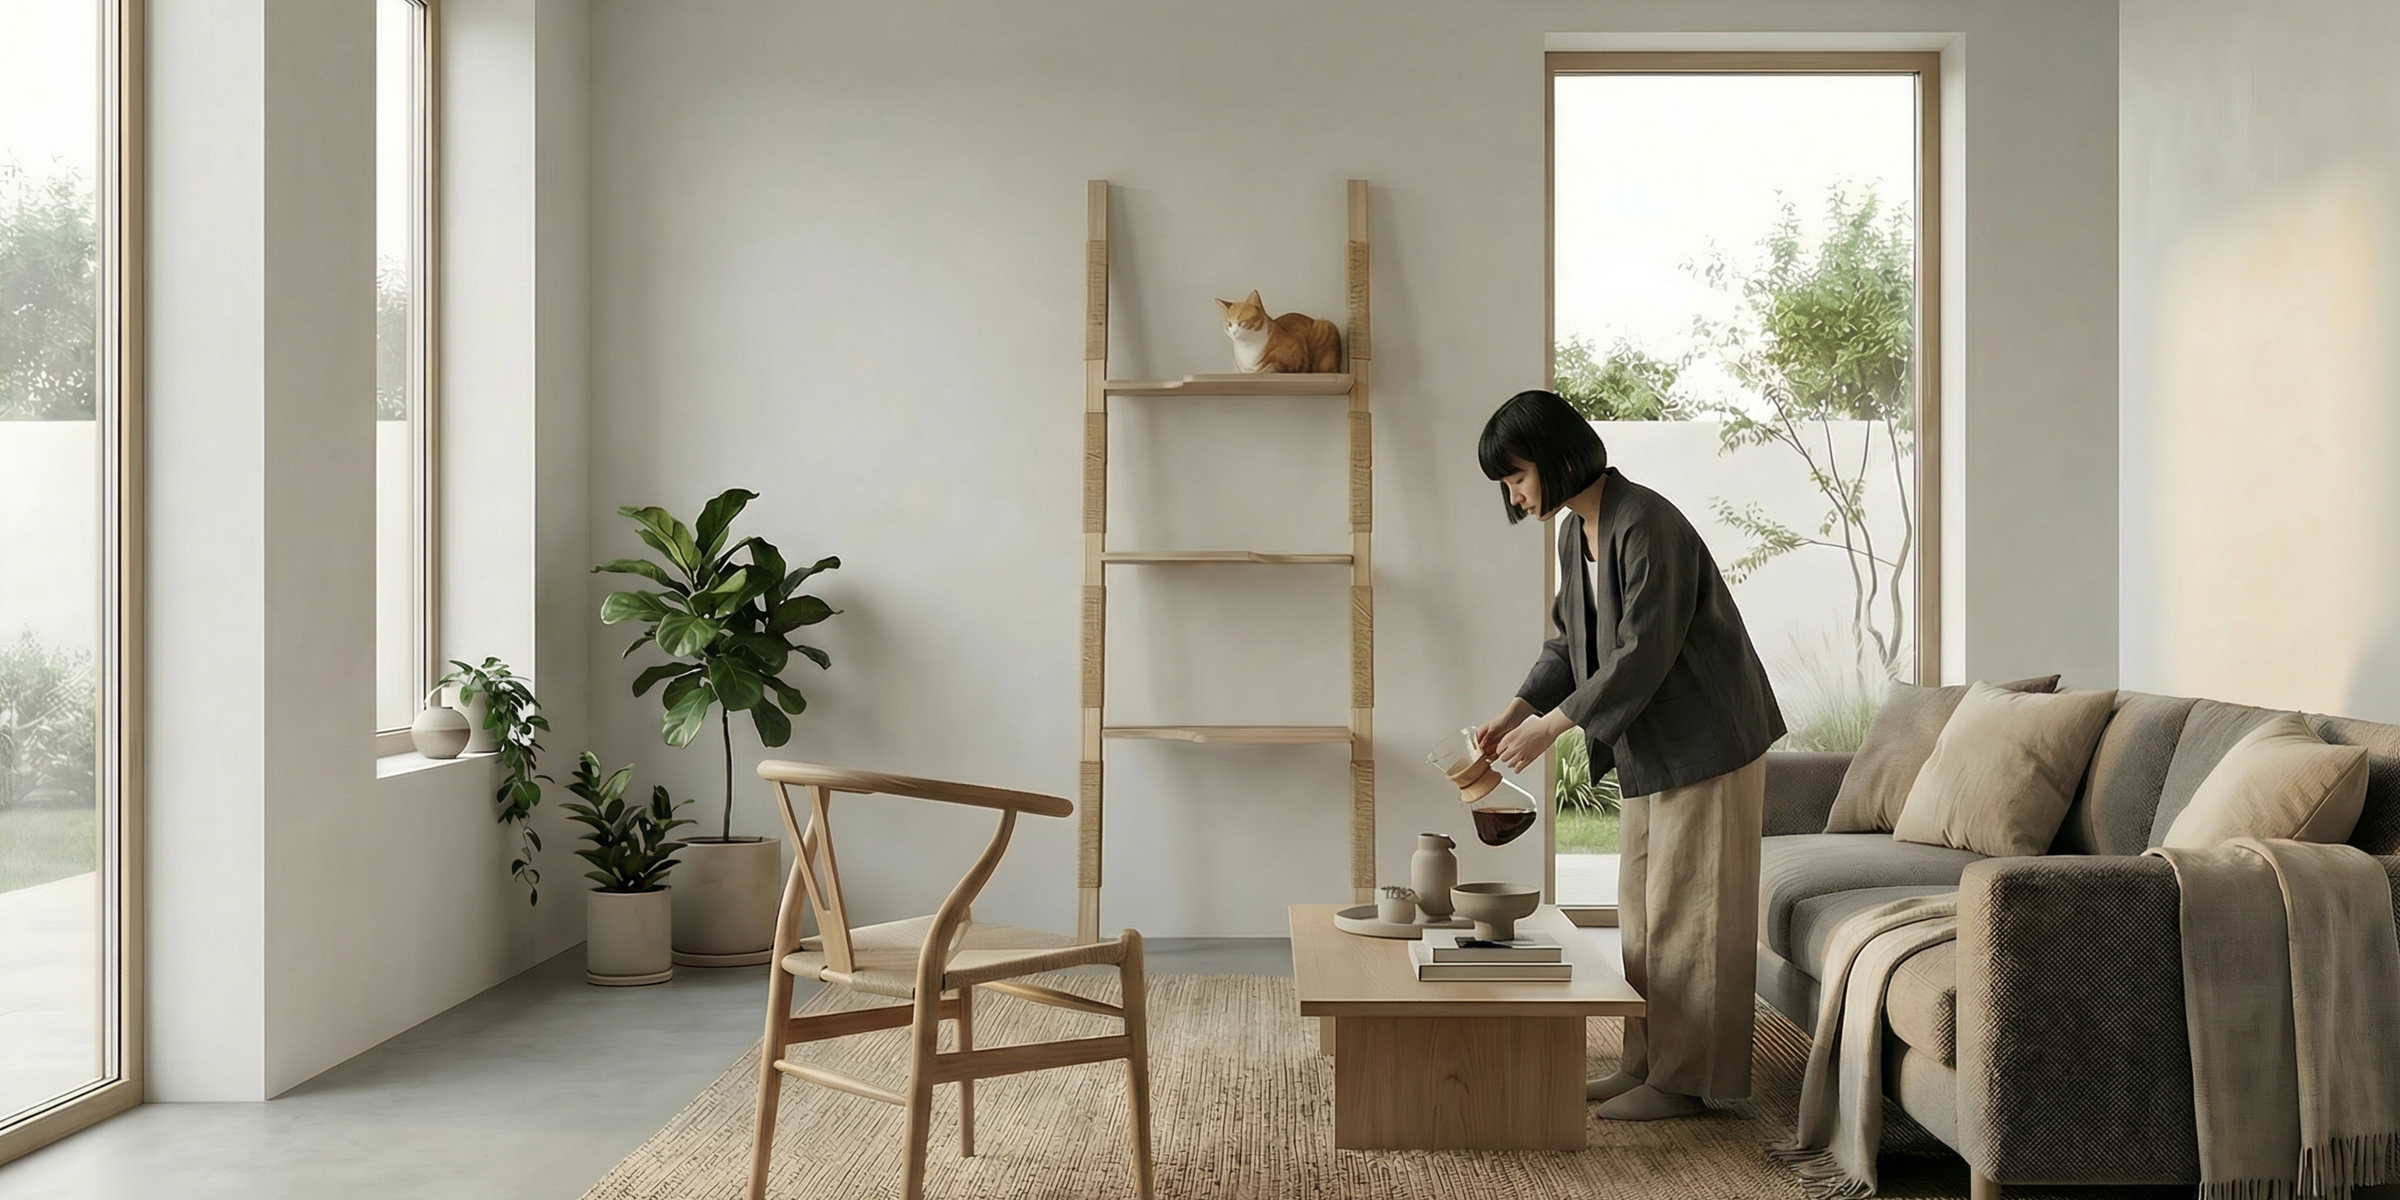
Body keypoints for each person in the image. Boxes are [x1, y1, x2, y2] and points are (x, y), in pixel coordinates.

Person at [1471, 389, 1785, 1122]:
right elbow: (1568, 644)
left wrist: (1551, 730)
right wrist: (1514, 710)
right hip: (1654, 743)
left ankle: (1686, 1082)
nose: (1514, 497)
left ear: (1553, 457)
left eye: (1516, 476)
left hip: (1707, 740)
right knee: (1644, 913)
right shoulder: (1573, 533)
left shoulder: (1648, 524)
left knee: (1692, 914)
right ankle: (1647, 1064)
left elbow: (1642, 651)